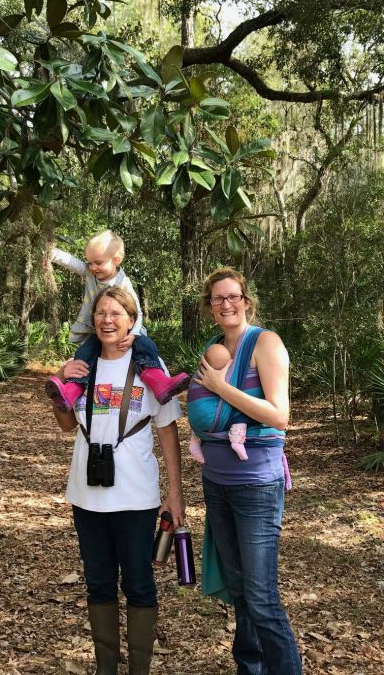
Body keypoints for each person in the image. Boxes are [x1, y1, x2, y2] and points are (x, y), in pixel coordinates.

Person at [51, 286, 186, 675]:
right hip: (86, 496)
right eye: (100, 313)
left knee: (140, 584)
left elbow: (167, 431)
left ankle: (139, 669)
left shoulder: (148, 366)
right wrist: (60, 383)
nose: (107, 320)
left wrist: (174, 495)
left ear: (131, 320)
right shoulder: (83, 365)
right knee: (98, 584)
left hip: (135, 498)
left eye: (116, 313)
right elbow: (65, 425)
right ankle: (106, 666)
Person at [186, 267, 303, 674]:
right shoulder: (214, 346)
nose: (227, 304)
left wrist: (222, 388)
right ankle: (249, 667)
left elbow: (280, 415)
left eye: (233, 296)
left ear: (246, 300)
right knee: (239, 590)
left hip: (256, 485)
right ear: (210, 307)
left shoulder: (265, 343)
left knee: (261, 597)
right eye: (218, 299)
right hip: (216, 482)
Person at [46, 229, 189, 411]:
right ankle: (72, 391)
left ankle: (159, 382)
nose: (93, 267)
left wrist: (134, 334)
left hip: (128, 331)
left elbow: (137, 312)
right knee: (84, 354)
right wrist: (53, 254)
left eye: (98, 262)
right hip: (96, 331)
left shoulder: (123, 283)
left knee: (146, 346)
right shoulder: (91, 274)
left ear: (116, 260)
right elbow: (75, 264)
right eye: (90, 262)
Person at [188, 343, 251, 463]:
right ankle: (237, 440)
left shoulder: (198, 374)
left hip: (195, 421)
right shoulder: (223, 375)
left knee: (200, 415)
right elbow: (231, 392)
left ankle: (195, 442)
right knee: (242, 411)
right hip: (210, 419)